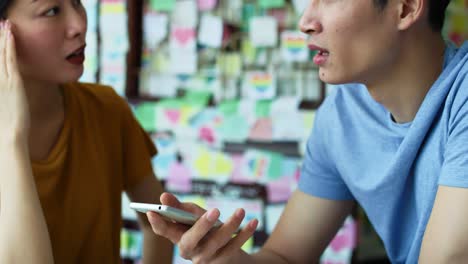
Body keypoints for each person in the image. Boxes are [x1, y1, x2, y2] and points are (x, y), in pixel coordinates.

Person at [147, 0, 468, 263]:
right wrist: (221, 253)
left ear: (407, 8)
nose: (305, 22)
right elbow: (285, 257)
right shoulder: (341, 115)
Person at [0, 0, 173, 263]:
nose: (79, 25)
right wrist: (12, 139)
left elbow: (160, 225)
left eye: (77, 2)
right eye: (51, 11)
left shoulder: (106, 109)